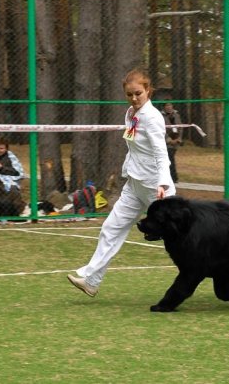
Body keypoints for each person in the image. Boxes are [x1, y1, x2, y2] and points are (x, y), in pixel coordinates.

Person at [67, 68, 176, 297]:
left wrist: (163, 183)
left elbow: (160, 153)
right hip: (134, 184)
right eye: (130, 94)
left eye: (138, 93)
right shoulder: (131, 113)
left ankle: (222, 269)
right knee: (111, 228)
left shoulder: (153, 118)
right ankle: (91, 281)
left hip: (155, 188)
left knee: (180, 239)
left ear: (148, 90)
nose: (134, 98)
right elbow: (133, 145)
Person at [161, 100, 183, 183]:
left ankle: (172, 178)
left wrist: (179, 139)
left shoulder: (176, 115)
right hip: (166, 142)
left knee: (170, 159)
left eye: (170, 105)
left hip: (175, 141)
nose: (169, 107)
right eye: (167, 105)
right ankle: (173, 178)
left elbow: (180, 128)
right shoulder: (160, 116)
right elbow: (160, 129)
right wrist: (169, 140)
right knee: (169, 159)